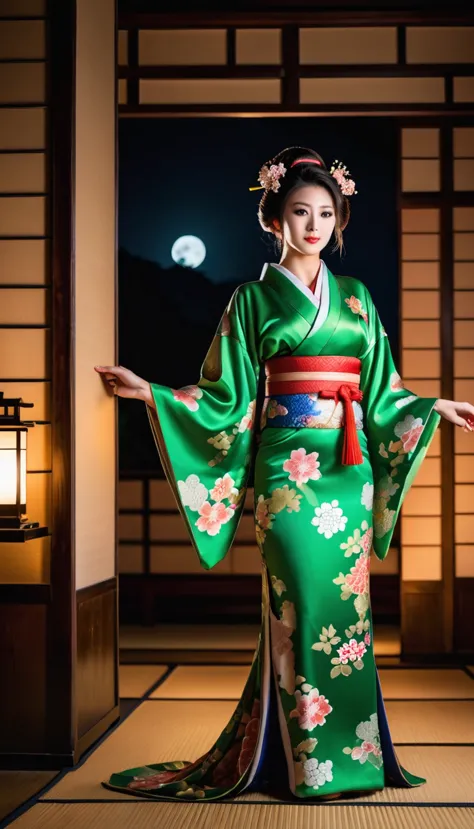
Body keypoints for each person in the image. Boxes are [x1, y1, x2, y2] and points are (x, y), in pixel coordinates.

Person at [95, 146, 474, 802]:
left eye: (326, 212)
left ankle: (350, 757)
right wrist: (154, 393)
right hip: (288, 472)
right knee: (299, 602)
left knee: (344, 611)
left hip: (347, 469)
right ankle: (306, 765)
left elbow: (384, 390)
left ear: (339, 218)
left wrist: (430, 406)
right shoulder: (251, 299)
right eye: (300, 211)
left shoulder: (356, 299)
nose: (314, 224)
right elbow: (225, 397)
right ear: (275, 218)